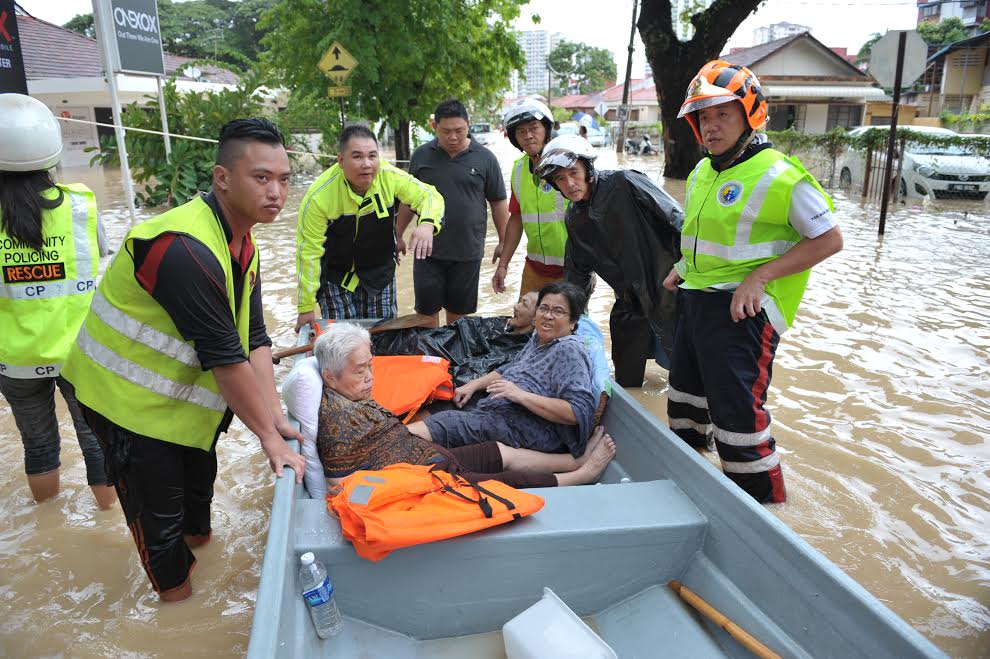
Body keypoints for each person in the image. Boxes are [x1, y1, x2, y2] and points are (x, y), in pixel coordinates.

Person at [61, 118, 307, 602]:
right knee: (162, 534)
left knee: (198, 505)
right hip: (123, 404)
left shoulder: (242, 242)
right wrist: (268, 441)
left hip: (182, 408)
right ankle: (177, 611)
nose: (276, 191)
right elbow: (224, 360)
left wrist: (275, 416)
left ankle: (201, 562)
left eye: (283, 179)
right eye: (261, 178)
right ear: (222, 178)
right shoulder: (184, 249)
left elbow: (254, 339)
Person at [664, 60, 843, 504]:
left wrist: (760, 278)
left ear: (750, 115)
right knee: (684, 404)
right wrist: (682, 267)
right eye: (703, 116)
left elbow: (830, 239)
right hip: (695, 304)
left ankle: (766, 513)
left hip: (743, 315)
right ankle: (692, 491)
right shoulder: (704, 171)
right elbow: (711, 236)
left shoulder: (779, 173)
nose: (711, 126)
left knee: (738, 421)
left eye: (723, 114)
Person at [284, 322, 615, 496]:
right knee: (504, 482)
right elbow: (339, 485)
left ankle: (574, 459)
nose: (370, 378)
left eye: (370, 366)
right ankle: (580, 475)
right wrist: (412, 480)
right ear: (329, 375)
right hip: (424, 478)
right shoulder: (339, 421)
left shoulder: (350, 397)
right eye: (360, 370)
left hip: (426, 455)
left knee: (497, 451)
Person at [0, 93, 115, 510]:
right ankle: (108, 525)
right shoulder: (81, 204)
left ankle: (47, 525)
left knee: (39, 447)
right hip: (78, 352)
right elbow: (102, 255)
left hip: (15, 360)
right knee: (97, 444)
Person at [535, 134, 684, 387]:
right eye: (560, 179)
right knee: (625, 378)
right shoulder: (574, 218)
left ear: (587, 168)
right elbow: (577, 275)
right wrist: (568, 319)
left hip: (670, 293)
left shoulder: (625, 182)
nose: (569, 184)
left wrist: (687, 267)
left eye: (573, 172)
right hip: (628, 302)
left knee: (686, 375)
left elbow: (680, 222)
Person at [408, 282, 598, 458]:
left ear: (572, 321)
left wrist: (520, 395)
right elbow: (511, 368)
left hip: (531, 430)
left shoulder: (569, 350)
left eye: (558, 311)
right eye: (544, 308)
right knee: (444, 402)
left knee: (446, 423)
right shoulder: (539, 338)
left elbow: (577, 412)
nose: (548, 315)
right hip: (502, 411)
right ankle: (406, 439)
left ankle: (393, 447)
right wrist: (473, 385)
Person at [295, 125, 444, 329]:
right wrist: (306, 307)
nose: (367, 164)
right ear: (341, 160)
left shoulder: (389, 176)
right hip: (336, 278)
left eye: (372, 156)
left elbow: (429, 195)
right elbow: (308, 253)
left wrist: (427, 223)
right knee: (343, 342)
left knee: (384, 336)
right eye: (357, 157)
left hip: (380, 272)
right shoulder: (318, 196)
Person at [396, 99, 508, 326]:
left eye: (459, 130)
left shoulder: (485, 158)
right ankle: (432, 360)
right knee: (426, 316)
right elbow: (408, 201)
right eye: (446, 131)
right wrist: (397, 235)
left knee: (459, 319)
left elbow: (498, 203)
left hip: (468, 251)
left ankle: (455, 361)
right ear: (433, 126)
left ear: (468, 125)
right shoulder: (421, 157)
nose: (453, 137)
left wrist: (504, 242)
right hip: (427, 252)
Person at [492, 99, 568, 297]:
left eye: (534, 128)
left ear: (546, 130)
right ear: (515, 138)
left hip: (571, 269)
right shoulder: (518, 170)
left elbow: (590, 217)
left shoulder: (567, 165)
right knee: (524, 322)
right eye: (521, 132)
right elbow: (516, 219)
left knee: (570, 326)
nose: (528, 136)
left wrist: (589, 268)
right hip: (534, 268)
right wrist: (503, 265)